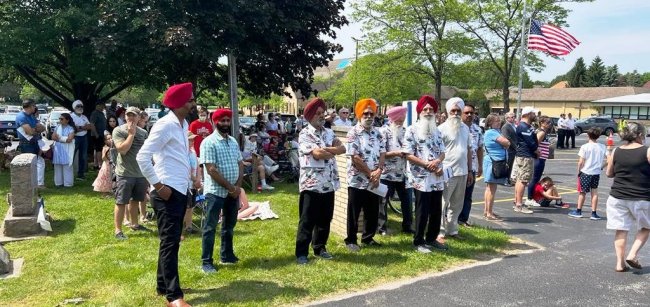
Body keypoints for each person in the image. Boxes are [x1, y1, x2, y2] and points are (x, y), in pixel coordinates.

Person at [136, 82, 195, 307]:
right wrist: (158, 186)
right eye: (189, 100)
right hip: (166, 191)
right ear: (179, 103)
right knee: (171, 242)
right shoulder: (165, 125)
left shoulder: (182, 124)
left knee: (170, 241)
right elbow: (143, 157)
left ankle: (164, 285)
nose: (193, 103)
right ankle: (174, 296)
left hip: (180, 188)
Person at [295, 97, 346, 264]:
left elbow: (343, 148)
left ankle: (320, 248)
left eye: (323, 113)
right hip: (311, 183)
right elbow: (317, 154)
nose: (321, 116)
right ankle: (301, 253)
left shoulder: (329, 132)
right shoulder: (304, 134)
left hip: (328, 183)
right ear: (310, 116)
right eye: (318, 113)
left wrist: (327, 150)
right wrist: (333, 151)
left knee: (325, 219)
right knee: (307, 220)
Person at [199, 108, 243, 273]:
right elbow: (211, 169)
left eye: (227, 120)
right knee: (210, 227)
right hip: (215, 192)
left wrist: (237, 187)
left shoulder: (232, 141)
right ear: (214, 122)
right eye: (222, 121)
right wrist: (230, 187)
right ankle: (206, 262)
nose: (225, 123)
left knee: (229, 225)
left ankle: (227, 255)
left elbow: (239, 163)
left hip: (233, 191)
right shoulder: (208, 142)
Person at [403, 96, 448, 253]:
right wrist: (426, 164)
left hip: (436, 175)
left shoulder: (437, 130)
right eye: (425, 109)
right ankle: (419, 241)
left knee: (436, 209)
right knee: (422, 210)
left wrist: (437, 162)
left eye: (431, 109)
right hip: (421, 177)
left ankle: (431, 238)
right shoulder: (412, 130)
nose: (428, 112)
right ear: (420, 112)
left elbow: (442, 152)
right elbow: (408, 154)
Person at [605, 122, 650, 272]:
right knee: (646, 227)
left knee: (621, 229)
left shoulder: (616, 151)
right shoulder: (647, 151)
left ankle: (620, 263)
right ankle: (632, 254)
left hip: (617, 197)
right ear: (639, 135)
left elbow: (609, 173)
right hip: (641, 197)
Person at [345, 98, 385, 252]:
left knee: (372, 211)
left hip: (374, 180)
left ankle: (368, 238)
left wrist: (379, 171)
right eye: (365, 114)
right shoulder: (353, 133)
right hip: (357, 180)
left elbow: (383, 153)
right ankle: (351, 240)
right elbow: (354, 157)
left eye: (371, 114)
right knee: (354, 211)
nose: (369, 116)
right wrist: (370, 174)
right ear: (359, 115)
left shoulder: (378, 133)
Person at [112, 106, 150, 239]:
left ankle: (135, 224)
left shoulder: (143, 133)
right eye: (128, 115)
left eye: (133, 115)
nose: (130, 118)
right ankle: (118, 230)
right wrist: (131, 134)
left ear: (139, 117)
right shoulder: (118, 130)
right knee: (121, 201)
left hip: (140, 173)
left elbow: (146, 152)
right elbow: (122, 150)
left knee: (136, 200)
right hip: (125, 173)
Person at [438, 97, 472, 240]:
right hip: (447, 171)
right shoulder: (441, 129)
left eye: (459, 111)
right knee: (442, 203)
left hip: (462, 171)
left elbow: (469, 150)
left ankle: (452, 230)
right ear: (448, 112)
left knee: (457, 204)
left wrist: (470, 170)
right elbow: (437, 152)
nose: (456, 114)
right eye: (453, 111)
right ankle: (439, 231)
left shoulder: (466, 129)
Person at [378, 106, 413, 235]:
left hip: (403, 173)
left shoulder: (407, 131)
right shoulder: (383, 132)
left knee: (407, 201)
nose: (400, 123)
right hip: (387, 173)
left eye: (402, 121)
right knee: (383, 201)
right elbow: (380, 153)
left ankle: (408, 226)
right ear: (392, 119)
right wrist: (396, 153)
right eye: (398, 121)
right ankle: (382, 228)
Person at [569, 127, 607, 219]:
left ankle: (579, 211)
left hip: (585, 172)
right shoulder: (602, 146)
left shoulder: (585, 147)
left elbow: (581, 162)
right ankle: (594, 213)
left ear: (588, 135)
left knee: (582, 193)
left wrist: (578, 172)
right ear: (598, 136)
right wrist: (602, 166)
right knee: (594, 192)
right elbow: (609, 159)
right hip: (596, 173)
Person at [459, 104, 483, 227]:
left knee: (467, 195)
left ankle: (463, 219)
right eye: (466, 112)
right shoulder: (456, 127)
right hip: (457, 168)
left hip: (471, 167)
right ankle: (450, 218)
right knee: (455, 195)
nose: (469, 115)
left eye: (471, 113)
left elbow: (479, 148)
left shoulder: (477, 130)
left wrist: (480, 166)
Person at [482, 114, 510, 220]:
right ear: (489, 123)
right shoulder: (491, 133)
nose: (499, 122)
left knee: (490, 188)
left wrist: (505, 144)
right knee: (491, 188)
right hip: (493, 163)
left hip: (497, 161)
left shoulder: (497, 132)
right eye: (496, 121)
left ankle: (487, 211)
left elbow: (506, 143)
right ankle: (489, 213)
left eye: (499, 121)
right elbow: (507, 142)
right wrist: (505, 144)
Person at [511, 106, 538, 214]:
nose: (535, 115)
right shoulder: (524, 127)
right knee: (523, 180)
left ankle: (517, 202)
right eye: (533, 113)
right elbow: (530, 142)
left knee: (520, 179)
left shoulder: (527, 126)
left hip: (523, 156)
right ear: (527, 114)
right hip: (525, 156)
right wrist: (537, 150)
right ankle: (519, 204)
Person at [15, 99, 46, 187]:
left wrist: (34, 130)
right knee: (29, 164)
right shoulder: (21, 116)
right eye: (33, 106)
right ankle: (29, 185)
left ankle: (36, 184)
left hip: (35, 142)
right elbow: (29, 132)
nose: (35, 107)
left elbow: (42, 128)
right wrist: (35, 130)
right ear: (29, 106)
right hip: (26, 144)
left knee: (37, 163)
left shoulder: (31, 116)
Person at [526, 116, 552, 207]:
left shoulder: (542, 131)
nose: (549, 124)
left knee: (535, 178)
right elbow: (535, 144)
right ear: (542, 123)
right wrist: (537, 154)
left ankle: (531, 197)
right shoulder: (541, 132)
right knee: (535, 179)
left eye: (549, 122)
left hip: (541, 158)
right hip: (539, 159)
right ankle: (529, 198)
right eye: (547, 122)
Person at [183, 133, 202, 234]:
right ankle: (183, 227)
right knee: (186, 206)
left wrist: (198, 179)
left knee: (191, 206)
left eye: (193, 140)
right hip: (186, 183)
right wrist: (195, 180)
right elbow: (186, 168)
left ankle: (189, 227)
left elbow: (198, 166)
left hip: (193, 183)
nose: (192, 142)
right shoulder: (183, 153)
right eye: (190, 140)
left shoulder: (193, 151)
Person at [70, 100, 93, 181]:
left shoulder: (84, 117)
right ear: (74, 108)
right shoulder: (71, 116)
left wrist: (79, 127)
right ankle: (69, 173)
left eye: (81, 106)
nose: (80, 108)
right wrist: (83, 127)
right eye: (78, 106)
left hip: (84, 138)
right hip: (75, 138)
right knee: (71, 156)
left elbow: (90, 126)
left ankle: (81, 174)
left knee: (83, 156)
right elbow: (73, 129)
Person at [52, 113, 76, 188]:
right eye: (59, 119)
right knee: (57, 166)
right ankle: (58, 183)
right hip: (58, 149)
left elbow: (69, 139)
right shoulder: (57, 127)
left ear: (67, 120)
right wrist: (63, 138)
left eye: (62, 119)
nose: (60, 120)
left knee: (67, 166)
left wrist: (60, 138)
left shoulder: (71, 129)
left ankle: (68, 184)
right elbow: (53, 137)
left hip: (67, 149)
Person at [501, 112, 517, 185]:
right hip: (509, 149)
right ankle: (506, 180)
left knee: (512, 165)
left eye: (514, 116)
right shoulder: (505, 127)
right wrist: (516, 147)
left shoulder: (514, 126)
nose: (513, 118)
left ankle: (509, 179)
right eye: (511, 117)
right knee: (508, 165)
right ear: (507, 118)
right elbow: (507, 138)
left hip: (514, 149)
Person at [89, 102, 107, 171]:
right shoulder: (95, 113)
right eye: (102, 106)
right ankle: (100, 164)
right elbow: (92, 124)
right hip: (97, 134)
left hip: (102, 134)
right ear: (98, 106)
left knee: (96, 149)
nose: (103, 107)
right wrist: (96, 134)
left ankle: (95, 164)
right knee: (99, 149)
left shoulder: (101, 113)